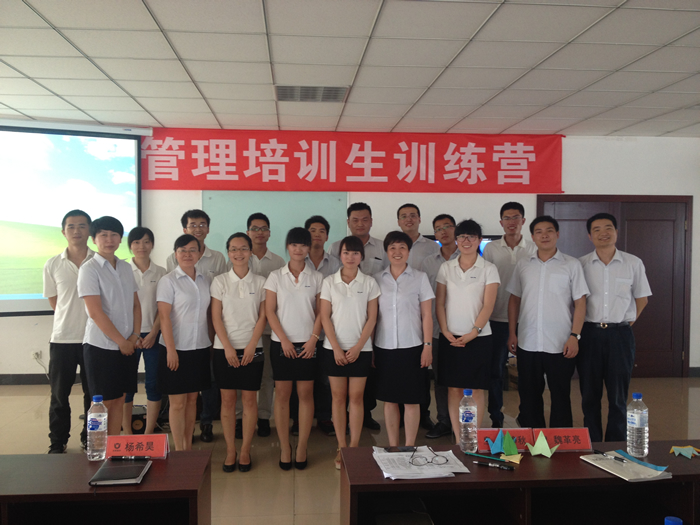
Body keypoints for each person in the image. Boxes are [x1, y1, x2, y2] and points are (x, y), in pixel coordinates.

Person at [507, 216, 589, 429]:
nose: (544, 235)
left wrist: (575, 336)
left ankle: (560, 440)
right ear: (533, 237)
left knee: (560, 395)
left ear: (557, 234)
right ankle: (532, 436)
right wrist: (512, 333)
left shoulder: (571, 264)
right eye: (539, 232)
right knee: (529, 395)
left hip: (560, 342)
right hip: (528, 341)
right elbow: (514, 299)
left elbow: (580, 302)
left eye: (549, 231)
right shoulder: (524, 264)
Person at [578, 213, 651, 442]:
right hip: (589, 334)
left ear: (616, 232)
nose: (603, 233)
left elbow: (642, 298)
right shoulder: (580, 264)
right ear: (590, 236)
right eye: (597, 229)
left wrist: (625, 322)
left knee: (618, 396)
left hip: (620, 334)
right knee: (589, 394)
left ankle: (615, 442)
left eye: (608, 228)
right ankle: (592, 441)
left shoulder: (633, 263)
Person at [165, 209, 227, 444]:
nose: (198, 228)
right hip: (179, 341)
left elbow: (217, 300)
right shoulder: (171, 269)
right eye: (193, 224)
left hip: (204, 336)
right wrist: (170, 347)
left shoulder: (215, 261)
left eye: (202, 224)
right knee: (181, 398)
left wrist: (214, 336)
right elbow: (166, 312)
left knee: (204, 386)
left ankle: (206, 424)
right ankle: (182, 442)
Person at [264, 227, 323, 470]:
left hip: (309, 344)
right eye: (294, 245)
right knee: (282, 395)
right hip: (282, 344)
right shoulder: (275, 276)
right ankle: (285, 447)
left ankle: (302, 447)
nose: (298, 249)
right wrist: (284, 340)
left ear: (309, 248)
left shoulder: (317, 277)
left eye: (303, 245)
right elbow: (269, 311)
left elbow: (321, 313)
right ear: (287, 247)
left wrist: (313, 339)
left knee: (306, 394)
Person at [77, 216, 142, 436]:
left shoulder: (125, 267)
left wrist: (134, 335)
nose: (109, 239)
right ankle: (97, 449)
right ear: (93, 239)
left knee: (120, 399)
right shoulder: (89, 269)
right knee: (102, 403)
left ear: (120, 239)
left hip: (127, 346)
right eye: (103, 235)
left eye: (114, 235)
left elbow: (135, 305)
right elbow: (95, 312)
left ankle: (112, 449)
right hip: (101, 346)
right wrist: (122, 341)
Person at [320, 236, 380, 469]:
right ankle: (341, 446)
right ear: (340, 255)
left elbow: (372, 318)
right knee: (338, 398)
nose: (351, 257)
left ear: (361, 256)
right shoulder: (329, 282)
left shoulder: (370, 282)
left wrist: (357, 347)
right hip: (333, 349)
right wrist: (336, 347)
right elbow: (325, 316)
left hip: (360, 349)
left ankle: (354, 447)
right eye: (346, 252)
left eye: (355, 253)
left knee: (356, 398)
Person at [436, 220, 499, 438]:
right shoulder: (446, 268)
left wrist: (473, 332)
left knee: (475, 389)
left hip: (479, 338)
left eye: (471, 236)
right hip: (450, 338)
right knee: (453, 389)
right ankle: (458, 436)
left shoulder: (488, 269)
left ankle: (472, 435)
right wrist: (445, 331)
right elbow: (440, 303)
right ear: (456, 240)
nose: (466, 241)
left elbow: (488, 305)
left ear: (479, 240)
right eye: (462, 236)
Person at [211, 233, 267, 472]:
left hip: (253, 348)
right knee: (227, 400)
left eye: (243, 248)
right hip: (224, 349)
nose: (238, 253)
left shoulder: (261, 282)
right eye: (233, 249)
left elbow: (263, 316)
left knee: (250, 400)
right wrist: (227, 347)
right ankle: (230, 450)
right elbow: (216, 317)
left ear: (251, 251)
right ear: (228, 253)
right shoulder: (220, 281)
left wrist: (252, 344)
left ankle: (245, 450)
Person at [328, 202, 387, 429]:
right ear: (348, 222)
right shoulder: (335, 248)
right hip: (341, 320)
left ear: (371, 221)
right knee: (338, 392)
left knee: (365, 379)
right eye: (355, 220)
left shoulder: (383, 248)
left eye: (364, 219)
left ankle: (365, 416)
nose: (360, 223)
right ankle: (340, 424)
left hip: (372, 318)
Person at [374, 231, 434, 447]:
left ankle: (409, 446)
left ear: (409, 251)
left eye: (402, 247)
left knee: (411, 399)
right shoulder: (377, 279)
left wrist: (427, 346)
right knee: (390, 400)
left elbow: (427, 315)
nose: (397, 252)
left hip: (413, 346)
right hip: (384, 346)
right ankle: (393, 445)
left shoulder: (420, 278)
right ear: (386, 251)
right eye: (392, 248)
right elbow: (372, 317)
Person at [43, 210, 94, 453]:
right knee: (59, 395)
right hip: (62, 338)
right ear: (63, 231)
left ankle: (90, 438)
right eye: (71, 226)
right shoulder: (53, 264)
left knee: (93, 395)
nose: (76, 230)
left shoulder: (99, 261)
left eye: (82, 226)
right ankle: (58, 441)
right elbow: (55, 302)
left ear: (89, 230)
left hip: (94, 339)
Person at [483, 202, 536, 428]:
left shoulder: (533, 248)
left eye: (516, 217)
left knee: (527, 372)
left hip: (527, 320)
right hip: (496, 318)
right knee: (495, 372)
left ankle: (527, 415)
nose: (511, 222)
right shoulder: (491, 248)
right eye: (507, 218)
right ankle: (496, 416)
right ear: (501, 222)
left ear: (523, 220)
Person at [157, 234, 212, 451]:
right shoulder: (168, 281)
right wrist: (171, 350)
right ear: (175, 254)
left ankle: (187, 447)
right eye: (182, 250)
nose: (187, 254)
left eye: (192, 250)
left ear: (199, 253)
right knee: (178, 403)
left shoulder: (205, 280)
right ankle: (179, 450)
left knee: (192, 401)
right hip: (176, 348)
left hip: (199, 347)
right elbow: (164, 317)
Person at [240, 212, 286, 439]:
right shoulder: (239, 257)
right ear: (248, 232)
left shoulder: (278, 262)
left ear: (269, 233)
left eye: (263, 228)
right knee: (241, 375)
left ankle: (264, 416)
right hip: (242, 328)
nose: (259, 232)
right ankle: (240, 417)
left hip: (268, 329)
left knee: (267, 375)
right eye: (254, 228)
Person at [122, 227, 167, 436]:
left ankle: (149, 433)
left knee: (153, 384)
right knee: (127, 385)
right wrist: (133, 335)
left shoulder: (161, 272)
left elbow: (163, 307)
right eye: (137, 242)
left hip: (153, 335)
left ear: (152, 244)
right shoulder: (121, 270)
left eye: (147, 241)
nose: (142, 246)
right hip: (127, 337)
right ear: (130, 245)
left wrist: (153, 332)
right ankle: (128, 434)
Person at [419, 214, 459, 439]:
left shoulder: (469, 256)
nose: (443, 231)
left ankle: (463, 423)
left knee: (463, 379)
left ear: (455, 229)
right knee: (441, 378)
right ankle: (444, 421)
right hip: (436, 329)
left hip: (465, 329)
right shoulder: (428, 262)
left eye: (447, 227)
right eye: (438, 229)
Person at [302, 215, 341, 437]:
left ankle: (325, 417)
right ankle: (299, 419)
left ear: (327, 236)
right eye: (312, 230)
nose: (317, 234)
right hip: (302, 330)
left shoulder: (336, 263)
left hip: (329, 331)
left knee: (325, 378)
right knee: (302, 378)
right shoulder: (298, 260)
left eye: (321, 231)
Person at [396, 203, 440, 271]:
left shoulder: (434, 246)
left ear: (419, 219)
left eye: (412, 216)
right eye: (404, 217)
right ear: (398, 222)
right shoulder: (391, 248)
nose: (408, 219)